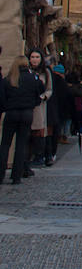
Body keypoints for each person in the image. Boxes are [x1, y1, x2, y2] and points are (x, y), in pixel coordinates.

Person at [0, 55, 46, 184]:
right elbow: (41, 91)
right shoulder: (33, 79)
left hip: (11, 113)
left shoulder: (9, 79)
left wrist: (6, 107)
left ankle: (1, 173)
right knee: (21, 145)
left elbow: (2, 98)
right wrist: (34, 103)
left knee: (5, 144)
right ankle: (16, 176)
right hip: (26, 113)